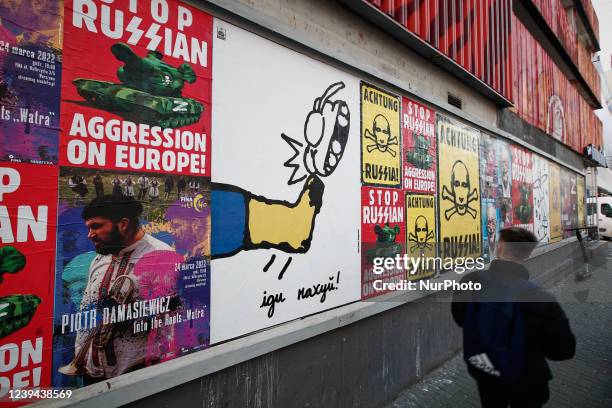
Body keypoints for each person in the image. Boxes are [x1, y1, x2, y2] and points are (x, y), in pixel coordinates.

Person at [451, 227, 575, 408]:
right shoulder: (540, 298)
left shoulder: (471, 281)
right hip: (527, 380)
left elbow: (461, 319)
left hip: (486, 372)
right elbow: (564, 350)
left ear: (499, 247)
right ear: (527, 255)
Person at [63, 195, 176, 381]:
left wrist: (128, 314)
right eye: (89, 227)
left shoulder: (161, 256)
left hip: (136, 375)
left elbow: (171, 320)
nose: (90, 234)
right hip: (93, 372)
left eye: (97, 226)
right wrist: (80, 355)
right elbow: (86, 309)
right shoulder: (100, 257)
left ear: (123, 224)